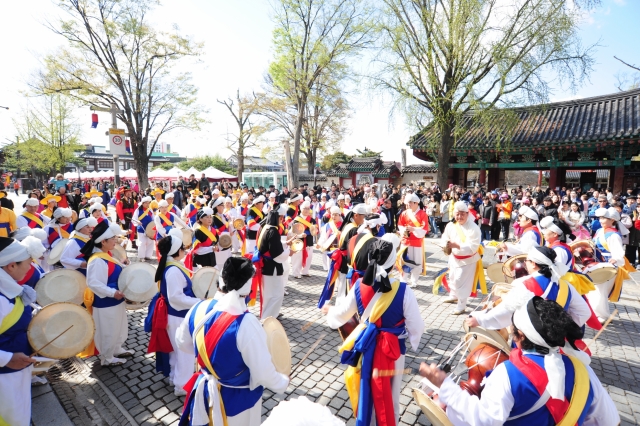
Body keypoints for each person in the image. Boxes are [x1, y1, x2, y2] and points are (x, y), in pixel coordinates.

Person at [423, 297, 619, 425]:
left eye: (513, 327)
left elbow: (483, 420)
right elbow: (608, 420)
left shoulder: (508, 374)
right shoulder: (584, 371)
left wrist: (445, 386)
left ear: (521, 336)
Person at [323, 235, 424, 426]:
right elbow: (416, 325)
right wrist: (413, 341)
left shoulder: (359, 286)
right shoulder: (404, 291)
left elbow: (342, 314)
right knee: (392, 394)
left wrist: (330, 312)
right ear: (394, 262)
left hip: (366, 346)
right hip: (393, 349)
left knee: (366, 388)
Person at [175, 257, 289, 426]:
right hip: (239, 403)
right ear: (248, 288)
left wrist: (211, 358)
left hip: (205, 392)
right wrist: (282, 382)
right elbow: (263, 372)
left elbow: (182, 342)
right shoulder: (247, 323)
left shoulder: (198, 308)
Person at [467, 246, 592, 334]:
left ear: (533, 263)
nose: (525, 263)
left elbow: (505, 310)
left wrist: (479, 319)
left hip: (529, 340)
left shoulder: (525, 284)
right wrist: (560, 328)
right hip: (556, 342)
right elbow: (584, 312)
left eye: (526, 260)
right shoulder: (566, 286)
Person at [146, 230, 200, 396]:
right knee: (184, 352)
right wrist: (200, 302)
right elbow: (176, 298)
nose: (185, 250)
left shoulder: (172, 266)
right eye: (182, 248)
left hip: (174, 315)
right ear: (176, 251)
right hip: (178, 315)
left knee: (176, 351)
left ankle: (174, 378)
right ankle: (182, 386)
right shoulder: (173, 271)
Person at [0, 236, 45, 425]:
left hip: (16, 370)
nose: (30, 268)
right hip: (5, 377)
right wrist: (7, 358)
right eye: (28, 263)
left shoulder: (8, 289)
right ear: (11, 266)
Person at [81, 221, 132, 366]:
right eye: (113, 239)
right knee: (109, 329)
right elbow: (94, 283)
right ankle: (107, 358)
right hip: (107, 301)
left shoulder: (105, 255)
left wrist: (123, 264)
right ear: (103, 241)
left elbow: (114, 269)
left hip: (116, 299)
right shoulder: (97, 260)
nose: (115, 241)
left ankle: (116, 348)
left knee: (119, 326)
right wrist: (112, 292)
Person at [586, 207, 634, 322]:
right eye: (601, 218)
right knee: (596, 289)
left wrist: (615, 259)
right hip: (596, 263)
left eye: (604, 218)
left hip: (607, 265)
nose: (601, 220)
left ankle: (601, 315)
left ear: (612, 220)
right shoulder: (599, 231)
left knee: (600, 291)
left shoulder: (613, 235)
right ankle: (597, 313)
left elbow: (618, 253)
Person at [441, 201, 485, 315]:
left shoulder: (474, 227)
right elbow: (444, 237)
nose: (459, 217)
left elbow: (473, 246)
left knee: (461, 281)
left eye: (462, 214)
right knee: (452, 277)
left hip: (468, 260)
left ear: (467, 213)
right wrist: (445, 244)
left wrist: (458, 246)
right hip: (454, 257)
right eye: (457, 214)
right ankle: (453, 295)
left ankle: (461, 305)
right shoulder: (451, 225)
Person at [252, 208, 290, 319]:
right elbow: (277, 255)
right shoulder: (273, 231)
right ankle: (269, 316)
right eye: (281, 217)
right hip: (272, 266)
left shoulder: (265, 228)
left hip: (266, 265)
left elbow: (270, 245)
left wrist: (285, 243)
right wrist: (289, 251)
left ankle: (270, 313)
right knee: (276, 293)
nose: (282, 220)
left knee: (268, 293)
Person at [397, 193, 429, 287]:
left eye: (410, 202)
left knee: (417, 262)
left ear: (416, 203)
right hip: (405, 241)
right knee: (404, 261)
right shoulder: (404, 213)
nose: (408, 204)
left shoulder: (423, 214)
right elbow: (400, 225)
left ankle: (414, 281)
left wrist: (414, 229)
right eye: (408, 203)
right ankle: (403, 280)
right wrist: (404, 230)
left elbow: (424, 229)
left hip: (417, 242)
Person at [290, 201, 316, 278]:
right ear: (301, 209)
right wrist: (300, 235)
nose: (307, 210)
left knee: (309, 256)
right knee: (298, 257)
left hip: (309, 240)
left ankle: (305, 271)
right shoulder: (297, 219)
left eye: (308, 208)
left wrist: (313, 231)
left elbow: (315, 230)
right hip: (299, 240)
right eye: (305, 208)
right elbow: (293, 231)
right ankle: (296, 273)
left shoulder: (312, 220)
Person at [212, 197, 232, 270]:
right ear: (217, 207)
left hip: (227, 242)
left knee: (227, 262)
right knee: (221, 265)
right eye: (222, 205)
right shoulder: (213, 218)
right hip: (220, 244)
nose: (224, 207)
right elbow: (215, 231)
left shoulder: (223, 216)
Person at [132, 196, 155, 261]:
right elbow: (134, 219)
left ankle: (148, 255)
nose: (147, 204)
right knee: (142, 243)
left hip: (150, 229)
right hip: (141, 228)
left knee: (150, 242)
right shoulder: (138, 210)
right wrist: (137, 222)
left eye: (148, 203)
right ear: (143, 203)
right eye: (146, 203)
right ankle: (141, 256)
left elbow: (153, 218)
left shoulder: (150, 210)